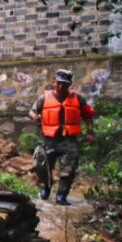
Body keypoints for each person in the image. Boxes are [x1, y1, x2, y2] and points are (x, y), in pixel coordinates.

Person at [28, 69, 95, 205]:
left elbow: (88, 116)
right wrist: (34, 116)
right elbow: (33, 111)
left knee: (68, 170)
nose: (60, 86)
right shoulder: (44, 98)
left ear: (69, 84)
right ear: (53, 82)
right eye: (58, 83)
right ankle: (46, 188)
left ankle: (61, 195)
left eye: (64, 84)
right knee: (41, 165)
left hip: (68, 140)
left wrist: (90, 132)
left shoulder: (78, 99)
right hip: (48, 140)